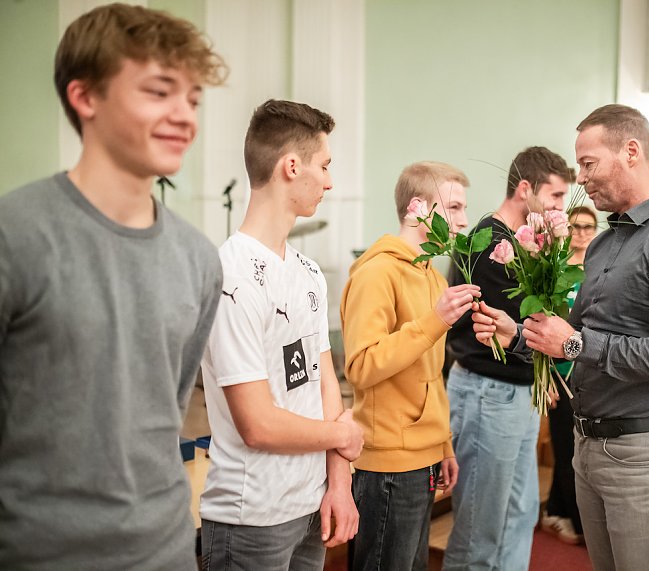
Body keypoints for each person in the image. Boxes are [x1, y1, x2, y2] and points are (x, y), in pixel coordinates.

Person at [0, 4, 227, 569]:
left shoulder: (199, 259)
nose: (185, 116)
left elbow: (163, 411)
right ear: (86, 97)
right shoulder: (16, 235)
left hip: (166, 547)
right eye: (158, 91)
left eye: (193, 99)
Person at [472, 104, 649, 570]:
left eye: (589, 164)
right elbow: (578, 337)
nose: (582, 179)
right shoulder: (606, 244)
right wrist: (517, 335)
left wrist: (574, 343)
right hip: (591, 446)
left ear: (631, 151)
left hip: (644, 453)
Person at [200, 100, 362, 570]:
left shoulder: (309, 273)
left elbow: (324, 383)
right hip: (252, 517)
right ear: (292, 166)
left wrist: (339, 483)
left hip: (311, 505)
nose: (330, 182)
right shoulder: (231, 275)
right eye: (325, 166)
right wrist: (341, 435)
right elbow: (257, 424)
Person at [340, 161, 479, 570]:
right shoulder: (377, 272)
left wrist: (443, 443)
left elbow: (430, 373)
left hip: (423, 454)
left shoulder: (432, 276)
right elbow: (362, 365)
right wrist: (434, 321)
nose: (464, 221)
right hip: (388, 461)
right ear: (417, 208)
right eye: (453, 208)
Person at [443, 146, 571, 570]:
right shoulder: (488, 244)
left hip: (515, 392)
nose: (558, 209)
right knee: (480, 529)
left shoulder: (526, 246)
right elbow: (505, 330)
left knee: (520, 515)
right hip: (487, 391)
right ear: (524, 189)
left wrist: (542, 372)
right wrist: (542, 365)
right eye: (554, 198)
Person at [541, 205, 598, 545]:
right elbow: (543, 325)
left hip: (590, 376)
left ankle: (554, 511)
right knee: (567, 450)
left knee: (579, 448)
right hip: (560, 376)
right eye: (574, 226)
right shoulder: (555, 271)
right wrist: (545, 375)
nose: (580, 232)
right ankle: (579, 525)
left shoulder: (598, 270)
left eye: (587, 226)